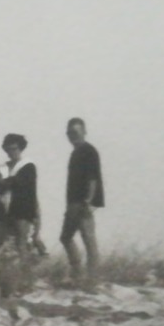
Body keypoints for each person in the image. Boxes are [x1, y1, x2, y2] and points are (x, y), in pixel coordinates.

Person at [60, 118, 103, 285]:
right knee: (66, 237)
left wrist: (89, 200)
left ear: (84, 132)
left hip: (83, 203)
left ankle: (93, 279)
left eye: (76, 133)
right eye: (70, 133)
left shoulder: (89, 151)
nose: (73, 136)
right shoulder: (76, 152)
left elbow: (93, 178)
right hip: (73, 203)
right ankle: (78, 274)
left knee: (88, 239)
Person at [0, 134, 39, 271]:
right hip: (4, 212)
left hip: (22, 212)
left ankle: (26, 279)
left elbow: (21, 183)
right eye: (9, 149)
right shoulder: (2, 167)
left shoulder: (28, 166)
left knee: (21, 245)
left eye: (14, 148)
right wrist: (9, 182)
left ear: (20, 148)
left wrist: (5, 182)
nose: (12, 152)